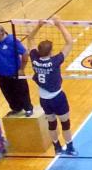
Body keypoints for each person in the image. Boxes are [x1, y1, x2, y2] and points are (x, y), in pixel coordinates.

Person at [26, 17, 76, 156]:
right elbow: (69, 42)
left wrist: (38, 25)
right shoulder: (55, 61)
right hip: (57, 97)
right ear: (51, 51)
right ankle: (70, 147)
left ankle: (57, 147)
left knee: (52, 124)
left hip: (44, 99)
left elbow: (30, 39)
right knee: (65, 123)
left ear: (39, 51)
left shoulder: (34, 58)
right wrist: (59, 25)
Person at [0, 24, 33, 117]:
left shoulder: (12, 41)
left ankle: (28, 108)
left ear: (2, 33)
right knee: (8, 93)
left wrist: (21, 69)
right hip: (0, 73)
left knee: (22, 91)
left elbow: (25, 53)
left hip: (14, 73)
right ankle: (16, 108)